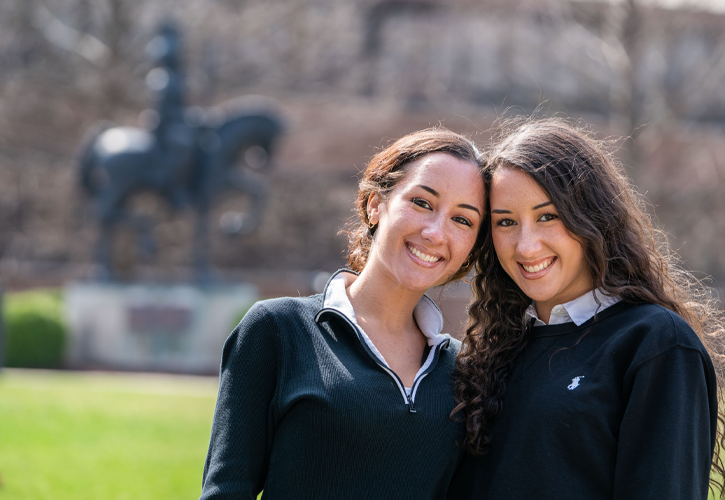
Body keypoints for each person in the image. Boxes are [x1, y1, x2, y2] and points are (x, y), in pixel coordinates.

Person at [200, 128, 487, 500]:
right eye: (421, 202)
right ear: (374, 205)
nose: (435, 232)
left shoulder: (465, 370)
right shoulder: (277, 329)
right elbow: (227, 491)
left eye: (462, 220)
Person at [449, 117, 725, 499]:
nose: (526, 246)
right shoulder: (492, 350)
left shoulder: (656, 344)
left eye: (548, 216)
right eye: (506, 222)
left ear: (590, 216)